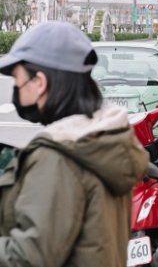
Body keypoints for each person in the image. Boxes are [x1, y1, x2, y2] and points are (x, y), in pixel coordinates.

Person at [0, 22, 149, 267]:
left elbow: (28, 257)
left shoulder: (59, 158)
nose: (15, 89)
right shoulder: (103, 140)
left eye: (17, 80)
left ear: (39, 83)